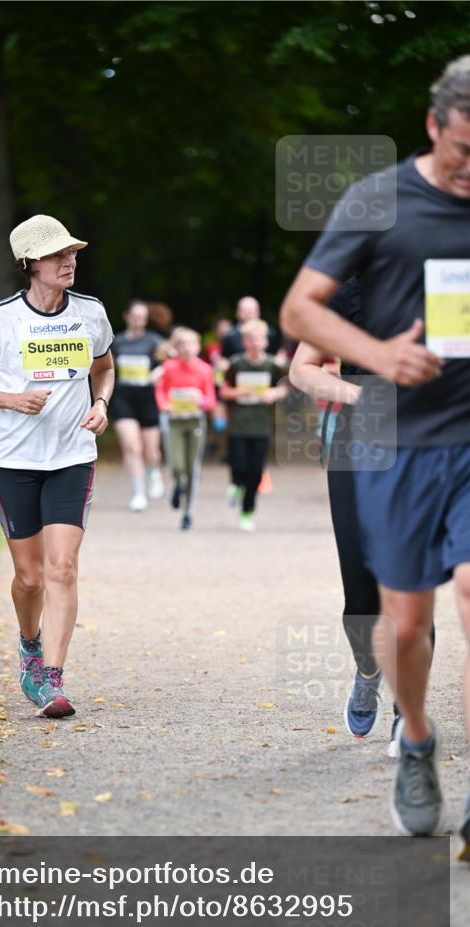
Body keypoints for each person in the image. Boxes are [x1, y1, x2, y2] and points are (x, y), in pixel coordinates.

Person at [280, 56, 470, 848]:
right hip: (392, 439)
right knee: (399, 621)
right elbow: (298, 312)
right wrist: (379, 362)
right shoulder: (379, 201)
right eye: (464, 149)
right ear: (434, 126)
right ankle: (416, 741)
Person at [0, 214, 114, 719]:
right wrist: (11, 399)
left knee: (62, 568)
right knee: (29, 578)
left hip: (72, 456)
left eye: (71, 253)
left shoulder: (91, 312)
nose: (69, 261)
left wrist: (103, 403)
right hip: (12, 462)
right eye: (56, 255)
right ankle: (30, 645)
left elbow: (105, 367)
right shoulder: (1, 317)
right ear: (30, 264)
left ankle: (51, 677)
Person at [290, 278, 436, 754]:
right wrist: (360, 396)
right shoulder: (348, 292)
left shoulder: (446, 284)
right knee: (359, 595)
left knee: (411, 589)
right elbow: (302, 369)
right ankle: (369, 669)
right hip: (356, 449)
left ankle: (406, 717)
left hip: (423, 449)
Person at [220, 320, 288, 531]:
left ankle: (247, 512)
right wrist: (237, 393)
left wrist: (275, 393)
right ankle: (237, 486)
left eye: (261, 338)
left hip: (262, 426)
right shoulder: (236, 364)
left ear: (266, 341)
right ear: (244, 342)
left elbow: (285, 386)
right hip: (239, 425)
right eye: (252, 339)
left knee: (256, 472)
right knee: (239, 466)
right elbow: (223, 391)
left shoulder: (272, 365)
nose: (257, 343)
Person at [154, 327, 216, 530]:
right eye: (183, 344)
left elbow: (211, 400)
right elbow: (161, 392)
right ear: (177, 347)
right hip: (174, 422)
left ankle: (188, 513)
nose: (188, 348)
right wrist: (165, 405)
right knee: (176, 464)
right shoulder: (169, 368)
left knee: (193, 468)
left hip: (195, 421)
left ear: (198, 347)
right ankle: (177, 484)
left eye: (191, 344)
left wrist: (201, 400)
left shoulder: (205, 369)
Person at [110, 300, 168, 510]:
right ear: (126, 316)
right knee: (131, 446)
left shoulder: (154, 341)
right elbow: (105, 366)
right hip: (123, 397)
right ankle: (138, 493)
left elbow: (170, 363)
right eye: (135, 317)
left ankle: (153, 471)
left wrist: (159, 372)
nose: (138, 322)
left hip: (148, 398)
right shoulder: (116, 342)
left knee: (150, 451)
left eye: (142, 318)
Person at [221, 296, 283, 360]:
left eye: (251, 311)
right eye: (244, 311)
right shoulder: (230, 336)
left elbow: (278, 356)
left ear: (258, 312)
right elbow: (224, 360)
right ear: (237, 313)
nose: (248, 314)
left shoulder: (270, 333)